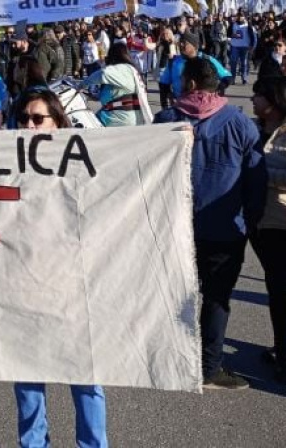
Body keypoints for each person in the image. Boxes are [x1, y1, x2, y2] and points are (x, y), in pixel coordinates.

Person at [154, 57, 267, 390]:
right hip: (224, 228)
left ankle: (164, 355)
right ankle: (209, 366)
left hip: (172, 227)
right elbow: (255, 180)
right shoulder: (240, 124)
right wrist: (250, 221)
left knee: (170, 293)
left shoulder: (165, 120)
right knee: (216, 298)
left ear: (189, 84)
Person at [12, 89, 108, 448]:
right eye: (24, 118)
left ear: (58, 121)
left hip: (72, 283)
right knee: (26, 373)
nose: (29, 125)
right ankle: (33, 443)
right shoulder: (5, 158)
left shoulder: (80, 160)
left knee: (85, 374)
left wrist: (173, 138)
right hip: (23, 280)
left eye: (38, 118)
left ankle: (92, 444)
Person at [250, 76, 286, 384]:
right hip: (260, 222)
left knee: (281, 291)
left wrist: (261, 173)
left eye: (258, 96)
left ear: (272, 102)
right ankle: (280, 347)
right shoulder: (253, 129)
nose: (252, 101)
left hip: (281, 220)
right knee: (275, 289)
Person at [82, 43, 153, 127]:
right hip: (135, 117)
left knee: (86, 125)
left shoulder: (122, 69)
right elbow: (117, 92)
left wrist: (81, 85)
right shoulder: (131, 69)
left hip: (119, 117)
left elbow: (103, 74)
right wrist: (95, 96)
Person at [159, 32, 231, 103]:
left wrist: (218, 91)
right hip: (180, 105)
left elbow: (227, 77)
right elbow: (163, 84)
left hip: (204, 106)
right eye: (180, 42)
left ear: (194, 46)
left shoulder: (207, 60)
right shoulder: (173, 62)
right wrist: (166, 101)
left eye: (184, 43)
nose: (181, 44)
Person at [228, 12, 257, 85]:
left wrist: (252, 46)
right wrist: (232, 35)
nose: (240, 17)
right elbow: (228, 34)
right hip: (235, 46)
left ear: (244, 17)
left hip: (245, 47)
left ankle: (244, 78)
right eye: (239, 16)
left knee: (244, 63)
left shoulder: (248, 25)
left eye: (242, 16)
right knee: (233, 63)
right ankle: (233, 78)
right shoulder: (233, 24)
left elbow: (253, 37)